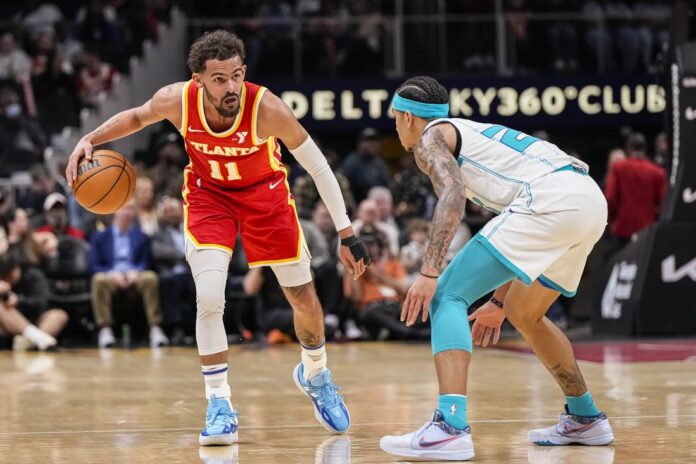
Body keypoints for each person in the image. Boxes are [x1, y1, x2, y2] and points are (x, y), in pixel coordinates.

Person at [65, 30, 369, 446]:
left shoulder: (267, 109)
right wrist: (90, 139)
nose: (231, 87)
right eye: (220, 79)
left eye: (237, 75)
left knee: (302, 296)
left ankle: (315, 373)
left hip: (266, 197)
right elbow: (136, 117)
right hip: (210, 198)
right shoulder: (177, 100)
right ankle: (219, 402)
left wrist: (346, 233)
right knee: (209, 297)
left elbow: (318, 168)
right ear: (199, 80)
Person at [379, 76, 614, 461]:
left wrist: (429, 271)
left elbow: (452, 195)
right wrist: (499, 302)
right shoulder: (473, 135)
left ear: (408, 117)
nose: (395, 127)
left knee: (447, 295)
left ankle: (450, 427)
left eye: (394, 118)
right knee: (525, 312)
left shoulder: (430, 138)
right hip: (588, 201)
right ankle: (585, 416)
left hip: (551, 199)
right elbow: (516, 234)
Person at [88, 200, 168, 349]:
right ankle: (105, 329)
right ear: (115, 211)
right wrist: (112, 274)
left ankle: (155, 328)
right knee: (98, 279)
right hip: (111, 276)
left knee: (151, 278)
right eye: (124, 208)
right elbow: (94, 265)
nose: (127, 212)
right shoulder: (100, 236)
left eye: (131, 209)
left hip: (135, 275)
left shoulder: (142, 236)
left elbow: (146, 262)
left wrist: (137, 271)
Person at [604, 132, 667, 253]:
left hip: (622, 230)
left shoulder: (618, 168)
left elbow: (610, 199)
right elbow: (662, 204)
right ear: (645, 148)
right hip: (648, 230)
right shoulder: (658, 172)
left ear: (628, 149)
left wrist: (611, 221)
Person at [150, 197, 195, 344]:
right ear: (163, 215)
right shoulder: (159, 233)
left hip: (191, 271)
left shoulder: (190, 228)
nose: (172, 215)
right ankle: (177, 329)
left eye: (174, 211)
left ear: (181, 211)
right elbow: (158, 251)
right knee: (167, 281)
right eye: (168, 212)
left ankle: (198, 328)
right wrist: (183, 255)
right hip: (172, 273)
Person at [0, 254, 68, 351]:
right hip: (10, 324)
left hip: (36, 321)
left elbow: (42, 302)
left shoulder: (33, 275)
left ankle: (30, 341)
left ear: (16, 270)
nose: (7, 280)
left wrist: (19, 301)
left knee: (59, 315)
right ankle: (39, 339)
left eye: (8, 276)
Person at [339, 127, 390, 203]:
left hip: (379, 207)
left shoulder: (380, 163)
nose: (373, 144)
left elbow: (387, 187)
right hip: (358, 206)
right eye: (369, 141)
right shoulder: (351, 162)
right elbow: (343, 188)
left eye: (375, 141)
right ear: (359, 144)